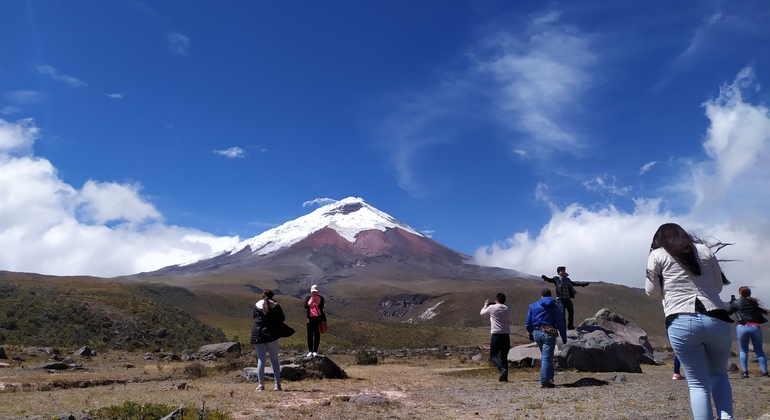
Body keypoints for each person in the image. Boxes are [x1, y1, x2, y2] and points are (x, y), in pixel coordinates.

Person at [646, 223, 733, 420]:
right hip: (717, 318)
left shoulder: (657, 254)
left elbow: (653, 293)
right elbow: (718, 287)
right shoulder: (704, 250)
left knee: (697, 383)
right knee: (719, 375)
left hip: (681, 319)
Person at [525, 288, 567, 388]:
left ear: (541, 295)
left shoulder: (533, 306)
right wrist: (563, 335)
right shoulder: (554, 306)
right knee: (546, 358)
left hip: (537, 332)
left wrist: (530, 332)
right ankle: (545, 381)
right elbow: (560, 322)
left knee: (546, 357)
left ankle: (550, 377)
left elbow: (528, 321)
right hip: (548, 333)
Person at [727, 286, 769, 378]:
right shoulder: (754, 302)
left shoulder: (736, 302)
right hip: (755, 327)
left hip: (742, 327)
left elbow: (728, 312)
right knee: (759, 351)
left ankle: (745, 372)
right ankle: (765, 372)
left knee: (743, 350)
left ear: (740, 293)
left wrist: (732, 303)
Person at [249, 289, 284, 391]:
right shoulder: (275, 306)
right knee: (274, 360)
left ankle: (261, 385)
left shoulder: (256, 305)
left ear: (262, 295)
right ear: (272, 296)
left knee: (261, 360)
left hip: (258, 335)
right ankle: (277, 385)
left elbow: (255, 318)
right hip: (271, 335)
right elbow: (282, 318)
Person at [480, 293, 512, 382]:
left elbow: (482, 313)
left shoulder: (491, 308)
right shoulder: (508, 308)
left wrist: (485, 305)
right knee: (504, 356)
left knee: (493, 355)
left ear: (496, 300)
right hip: (506, 334)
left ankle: (502, 369)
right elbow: (501, 307)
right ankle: (504, 378)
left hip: (496, 334)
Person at [304, 284, 326, 357]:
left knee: (317, 334)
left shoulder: (321, 298)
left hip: (318, 318)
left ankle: (315, 350)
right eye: (313, 292)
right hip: (310, 318)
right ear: (311, 292)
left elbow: (321, 307)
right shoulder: (308, 298)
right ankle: (310, 350)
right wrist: (310, 303)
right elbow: (305, 306)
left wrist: (317, 303)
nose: (314, 293)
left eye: (315, 292)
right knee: (309, 334)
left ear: (317, 292)